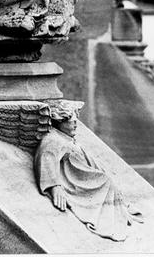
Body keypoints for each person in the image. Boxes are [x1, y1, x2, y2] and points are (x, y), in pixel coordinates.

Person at [34, 101, 143, 241]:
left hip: (80, 173)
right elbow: (46, 158)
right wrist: (55, 187)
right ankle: (108, 216)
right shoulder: (53, 140)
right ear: (59, 122)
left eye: (75, 120)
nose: (75, 124)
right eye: (71, 121)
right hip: (73, 180)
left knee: (106, 179)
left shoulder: (66, 138)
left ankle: (119, 208)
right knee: (105, 181)